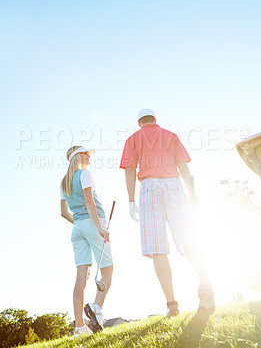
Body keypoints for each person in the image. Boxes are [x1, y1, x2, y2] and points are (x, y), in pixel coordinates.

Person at [120, 109, 215, 316]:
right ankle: (205, 279)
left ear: (139, 123)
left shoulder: (133, 139)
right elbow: (183, 167)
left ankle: (172, 305)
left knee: (158, 248)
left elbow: (129, 169)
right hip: (174, 184)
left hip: (149, 187)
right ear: (155, 120)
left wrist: (130, 200)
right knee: (187, 237)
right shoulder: (170, 135)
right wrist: (192, 194)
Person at [60, 145, 113, 335]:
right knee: (107, 270)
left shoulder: (63, 182)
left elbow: (63, 212)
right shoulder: (85, 174)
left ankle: (79, 327)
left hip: (77, 228)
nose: (89, 156)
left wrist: (80, 223)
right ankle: (97, 311)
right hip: (92, 224)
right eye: (86, 154)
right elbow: (89, 201)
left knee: (81, 277)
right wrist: (98, 227)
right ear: (78, 157)